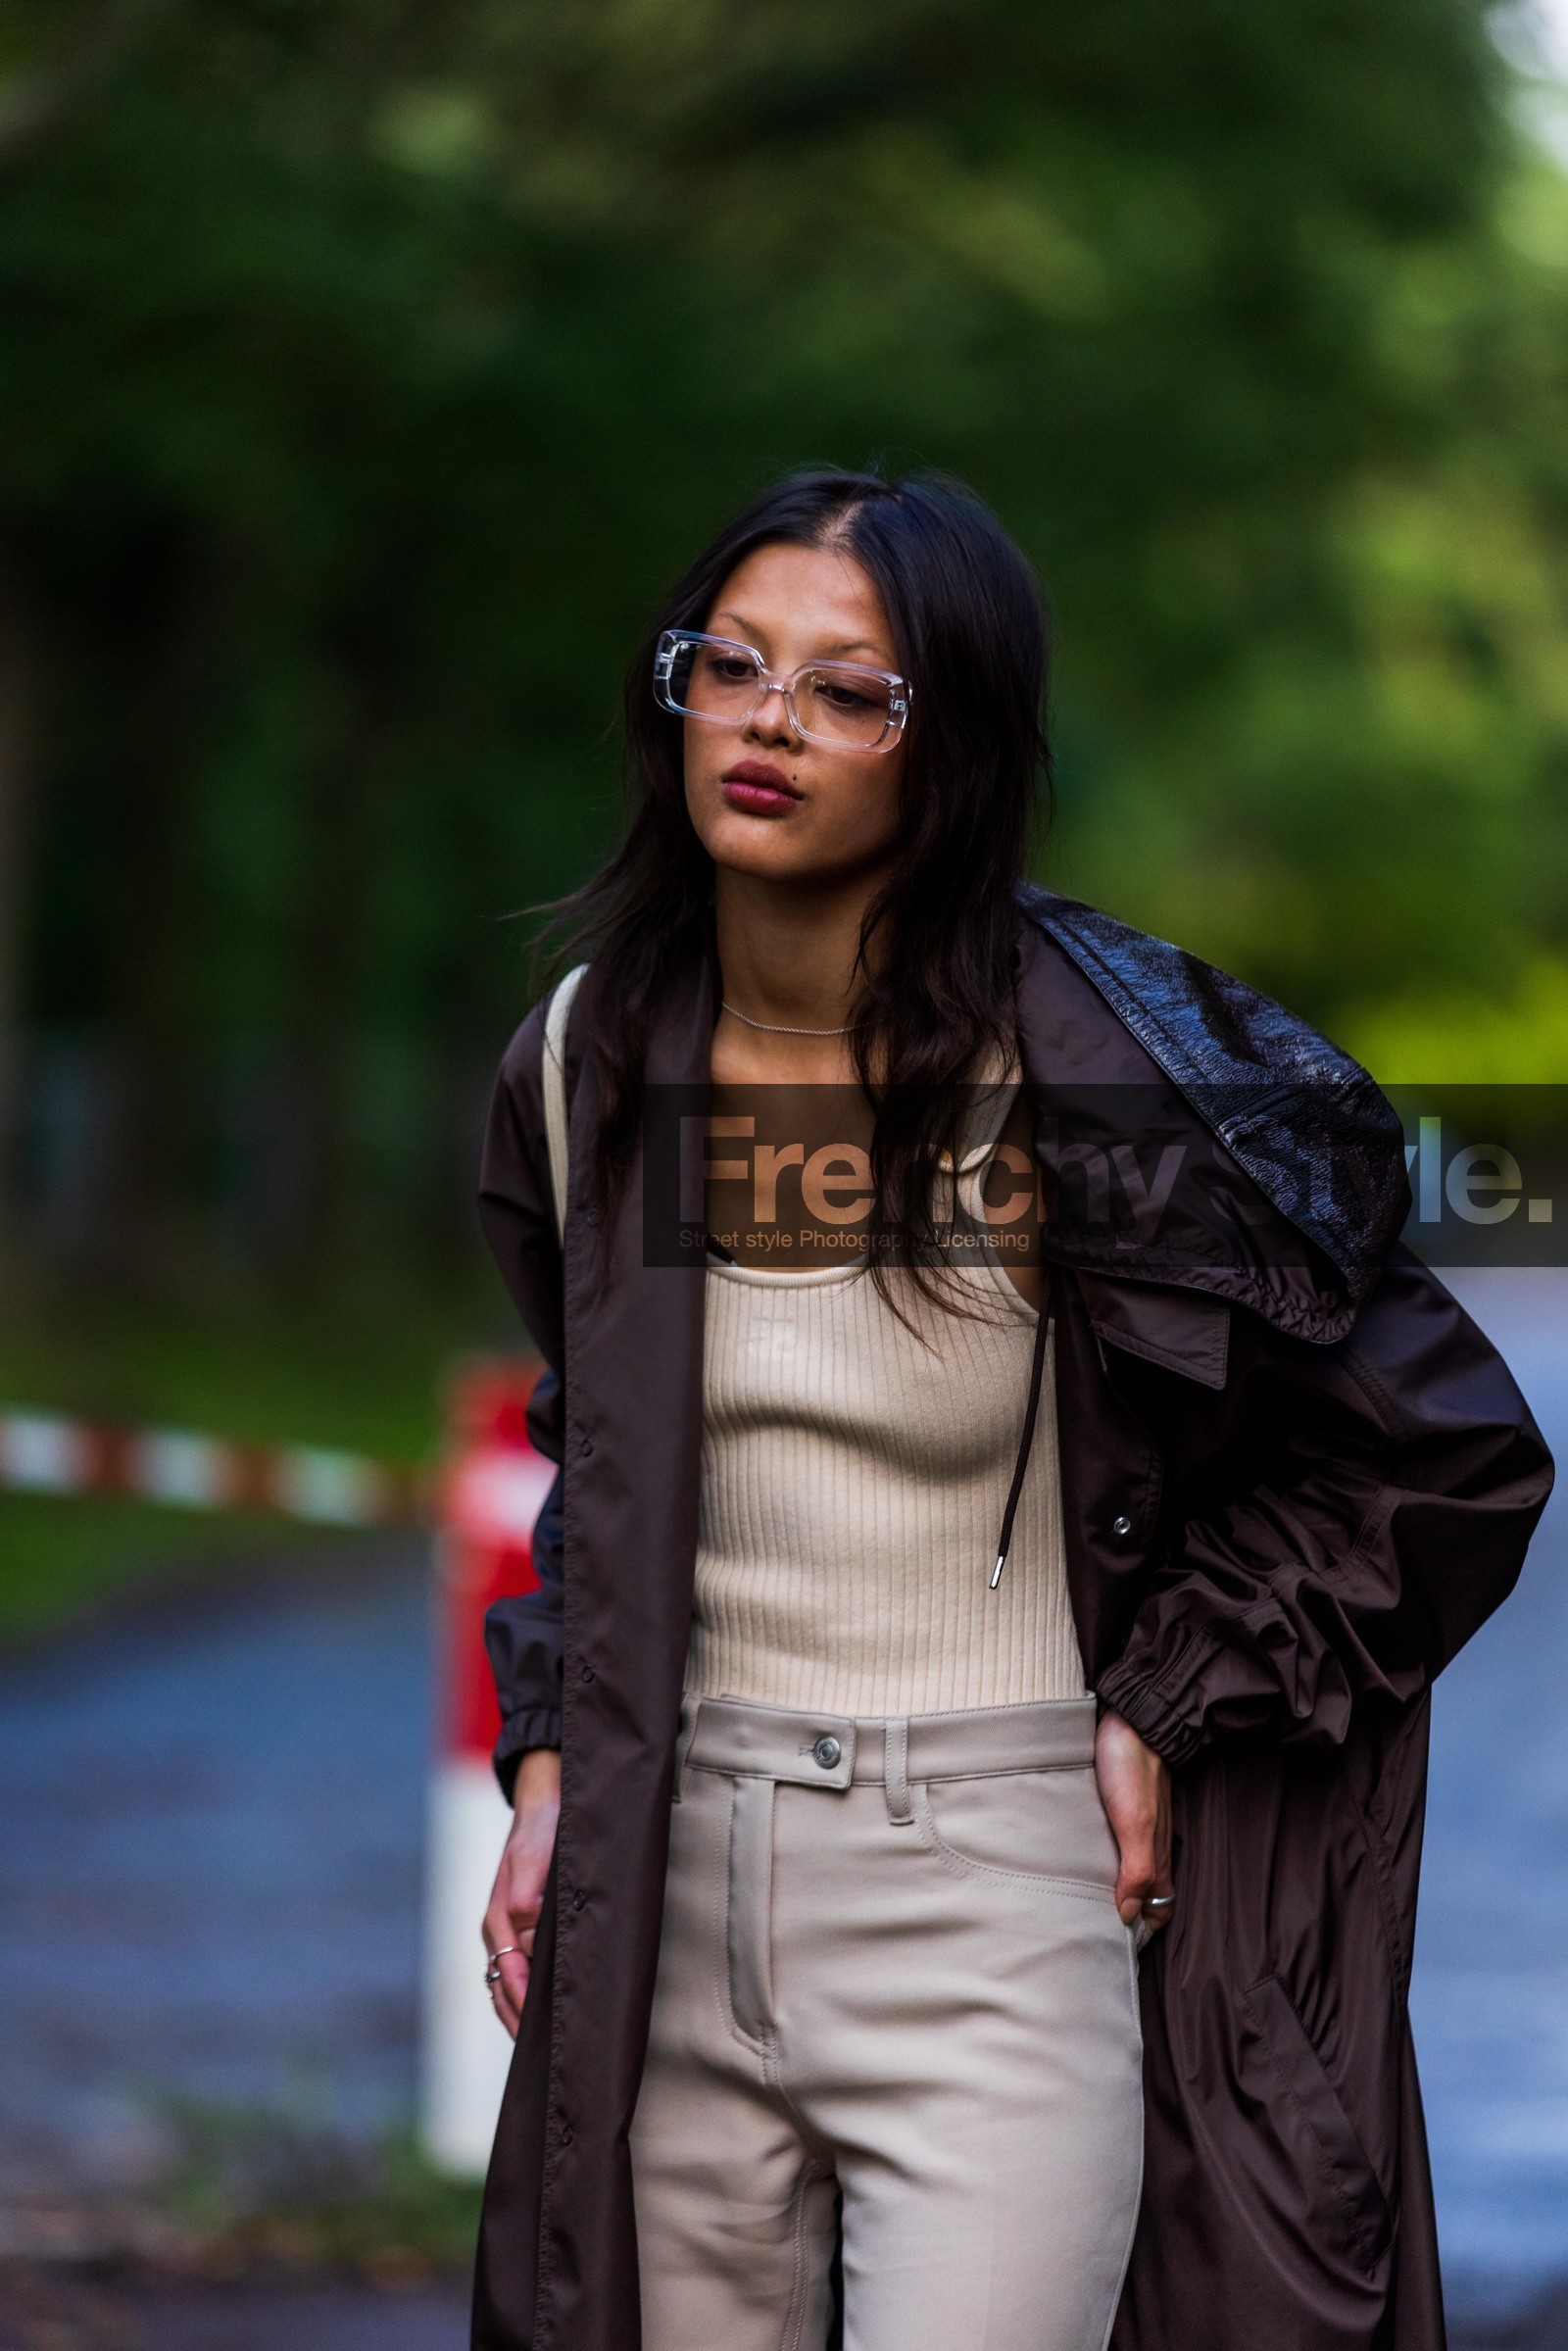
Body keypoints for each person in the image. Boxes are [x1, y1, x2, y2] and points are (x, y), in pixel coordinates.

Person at [470, 468, 1552, 2351]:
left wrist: (1170, 1692)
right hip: (665, 1896)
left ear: (949, 746)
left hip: (992, 1897)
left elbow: (1440, 1447)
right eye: (728, 665)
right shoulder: (584, 1061)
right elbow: (608, 1453)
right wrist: (558, 1753)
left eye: (849, 689)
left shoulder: (1096, 1087)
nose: (772, 721)